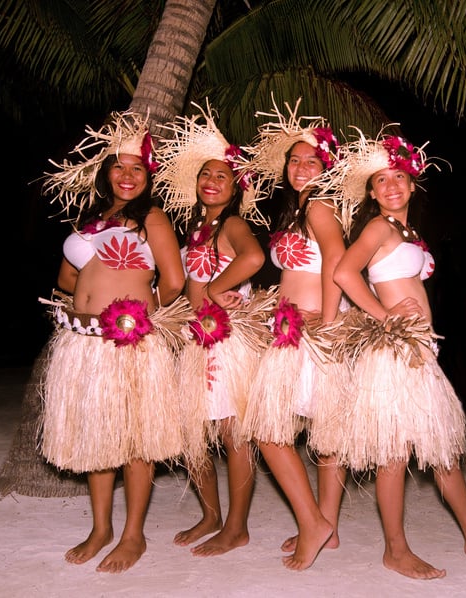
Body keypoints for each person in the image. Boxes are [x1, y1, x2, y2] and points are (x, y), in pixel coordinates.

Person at [325, 130, 466, 580]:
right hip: (395, 350)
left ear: (412, 184)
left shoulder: (405, 230)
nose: (391, 186)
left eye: (398, 177)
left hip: (418, 350)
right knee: (394, 453)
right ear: (372, 192)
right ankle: (395, 550)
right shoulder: (378, 227)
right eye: (381, 181)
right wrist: (383, 317)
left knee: (441, 451)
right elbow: (343, 272)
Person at [37, 110, 190, 573]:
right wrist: (79, 297)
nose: (127, 176)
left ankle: (132, 535)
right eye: (119, 167)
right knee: (97, 436)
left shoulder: (153, 219)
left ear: (149, 176)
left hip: (129, 343)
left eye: (137, 168)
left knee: (133, 439)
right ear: (106, 173)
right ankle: (100, 527)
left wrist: (140, 315)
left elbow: (175, 280)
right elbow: (68, 275)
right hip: (83, 342)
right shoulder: (92, 218)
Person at [153, 104, 271, 557]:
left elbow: (254, 259)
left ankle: (236, 526)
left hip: (226, 341)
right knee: (192, 433)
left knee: (232, 432)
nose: (212, 181)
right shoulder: (192, 229)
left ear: (235, 186)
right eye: (206, 174)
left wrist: (219, 288)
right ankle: (210, 513)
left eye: (222, 175)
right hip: (193, 338)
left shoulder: (234, 224)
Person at [239, 98, 349, 571]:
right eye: (295, 159)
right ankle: (328, 525)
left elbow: (338, 263)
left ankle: (313, 523)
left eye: (312, 160)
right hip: (291, 324)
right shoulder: (296, 210)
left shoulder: (321, 207)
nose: (301, 167)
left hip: (311, 328)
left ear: (326, 167)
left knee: (268, 428)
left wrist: (326, 322)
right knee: (323, 432)